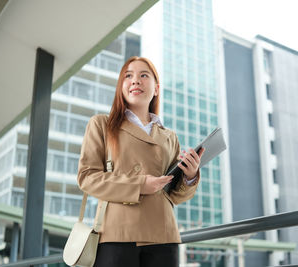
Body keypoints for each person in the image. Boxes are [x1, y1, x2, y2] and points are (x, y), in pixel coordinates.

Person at [77, 56, 204, 267]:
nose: (135, 80)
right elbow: (87, 177)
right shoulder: (102, 125)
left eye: (144, 75)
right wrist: (140, 185)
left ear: (156, 89)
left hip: (163, 235)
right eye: (128, 76)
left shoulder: (170, 137)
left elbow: (174, 195)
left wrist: (190, 177)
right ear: (121, 87)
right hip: (116, 234)